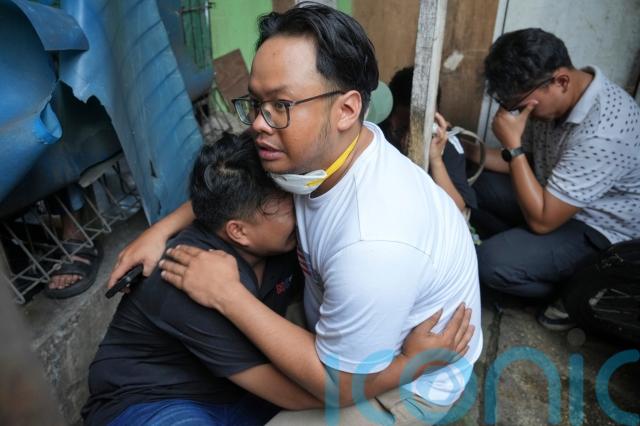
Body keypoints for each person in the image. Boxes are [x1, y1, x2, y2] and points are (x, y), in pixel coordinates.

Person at [112, 4, 481, 424]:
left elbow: (337, 387)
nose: (258, 123)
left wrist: (228, 295)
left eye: (281, 104)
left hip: (402, 380)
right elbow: (229, 184)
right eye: (256, 103)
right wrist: (161, 229)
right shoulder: (323, 147)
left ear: (347, 110)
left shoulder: (373, 244)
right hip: (337, 328)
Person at [467, 28, 640, 330]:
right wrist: (460, 146)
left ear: (561, 81)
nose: (518, 112)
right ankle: (529, 254)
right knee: (475, 181)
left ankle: (574, 293)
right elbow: (525, 162)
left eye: (520, 104)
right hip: (555, 197)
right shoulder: (551, 102)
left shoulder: (604, 131)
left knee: (488, 263)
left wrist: (512, 145)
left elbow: (543, 221)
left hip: (598, 229)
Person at [380, 66, 478, 215]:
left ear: (436, 117)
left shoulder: (447, 144)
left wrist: (436, 160)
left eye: (416, 127)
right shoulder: (379, 132)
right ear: (389, 113)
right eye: (401, 128)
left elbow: (458, 208)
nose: (408, 135)